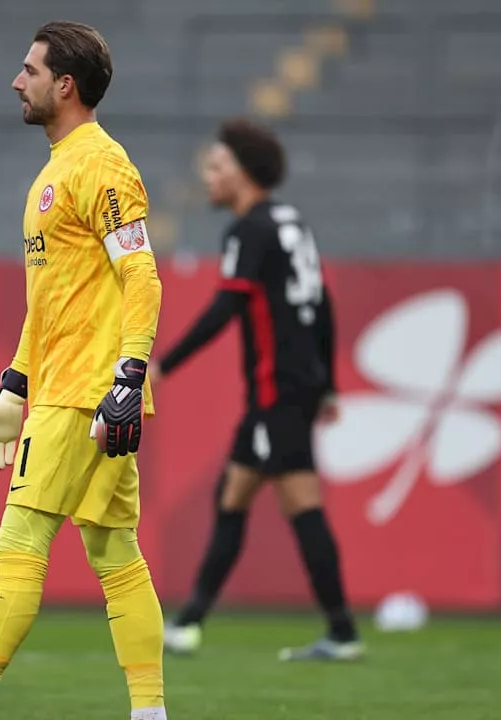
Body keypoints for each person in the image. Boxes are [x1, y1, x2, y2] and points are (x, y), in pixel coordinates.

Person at [0, 21, 166, 720]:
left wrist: (126, 375)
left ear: (65, 85)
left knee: (19, 540)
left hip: (87, 394)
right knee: (116, 551)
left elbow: (141, 274)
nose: (14, 80)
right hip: (68, 388)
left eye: (28, 70)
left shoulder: (101, 165)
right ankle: (150, 714)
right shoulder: (57, 169)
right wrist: (13, 385)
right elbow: (53, 301)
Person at [152, 117, 363, 662]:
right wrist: (330, 385)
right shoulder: (292, 223)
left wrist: (162, 365)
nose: (208, 177)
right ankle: (191, 620)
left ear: (244, 174)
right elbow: (323, 305)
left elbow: (226, 307)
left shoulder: (249, 230)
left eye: (217, 166)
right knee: (234, 495)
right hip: (291, 391)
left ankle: (341, 633)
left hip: (276, 394)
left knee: (299, 504)